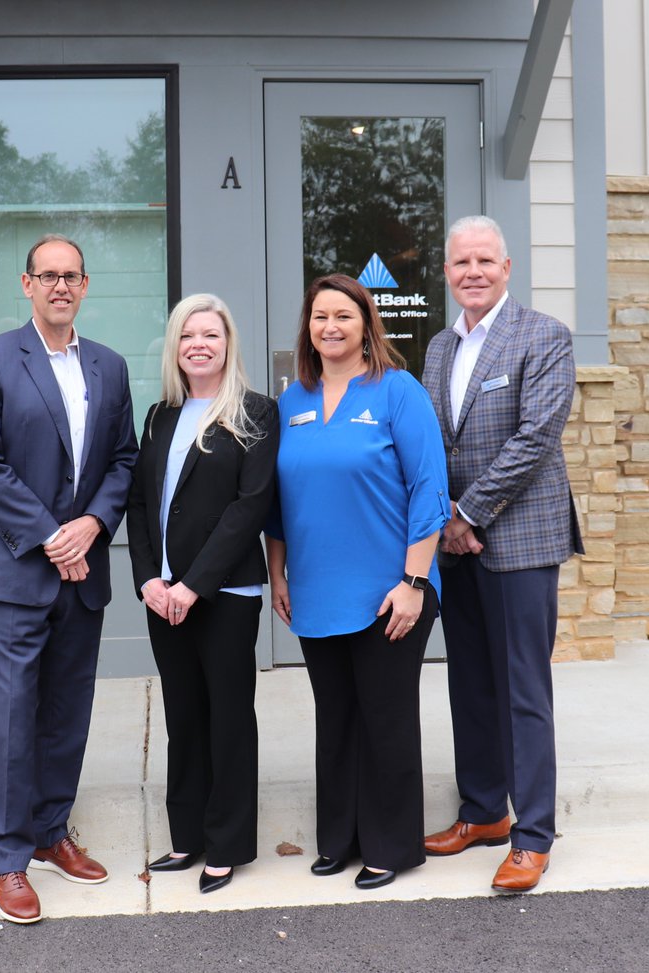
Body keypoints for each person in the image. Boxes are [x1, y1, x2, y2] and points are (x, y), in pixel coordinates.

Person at [0, 233, 137, 924]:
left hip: (83, 569)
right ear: (25, 284)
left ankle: (49, 831)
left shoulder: (110, 366)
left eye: (72, 276)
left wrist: (91, 525)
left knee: (67, 709)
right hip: (14, 570)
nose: (60, 286)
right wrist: (49, 535)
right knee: (11, 716)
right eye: (47, 275)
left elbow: (122, 459)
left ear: (85, 286)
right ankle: (5, 858)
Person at [266, 273, 449, 891]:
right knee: (335, 716)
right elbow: (278, 501)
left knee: (386, 718)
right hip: (316, 589)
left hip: (389, 592)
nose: (331, 327)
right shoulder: (292, 400)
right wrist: (277, 573)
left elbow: (430, 490)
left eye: (343, 315)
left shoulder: (399, 392)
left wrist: (414, 581)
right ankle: (339, 838)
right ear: (307, 328)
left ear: (367, 324)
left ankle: (390, 846)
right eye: (320, 316)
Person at [421, 215, 582, 894]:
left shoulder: (542, 336)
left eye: (486, 260)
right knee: (470, 684)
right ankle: (484, 810)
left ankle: (533, 833)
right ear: (448, 271)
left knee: (522, 689)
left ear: (508, 267)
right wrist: (442, 522)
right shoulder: (436, 347)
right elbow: (433, 441)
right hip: (458, 547)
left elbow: (534, 439)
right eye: (462, 262)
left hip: (518, 541)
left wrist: (465, 514)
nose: (473, 272)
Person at [126, 294, 278, 895]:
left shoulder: (256, 413)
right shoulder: (161, 415)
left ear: (227, 343)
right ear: (175, 346)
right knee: (183, 718)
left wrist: (193, 584)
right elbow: (140, 503)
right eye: (188, 335)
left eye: (210, 335)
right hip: (163, 597)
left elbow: (250, 509)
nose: (199, 345)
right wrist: (149, 579)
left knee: (228, 720)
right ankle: (186, 837)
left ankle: (227, 844)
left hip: (225, 595)